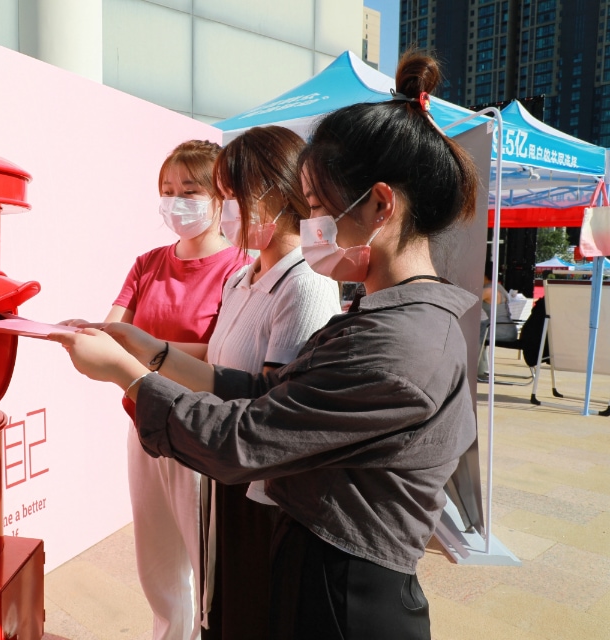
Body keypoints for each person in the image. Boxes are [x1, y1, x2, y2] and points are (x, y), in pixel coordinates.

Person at [50, 50, 479, 639]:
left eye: (322, 207)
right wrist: (152, 353)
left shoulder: (400, 343)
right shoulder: (383, 317)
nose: (312, 226)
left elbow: (245, 436)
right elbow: (266, 390)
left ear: (381, 205)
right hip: (316, 570)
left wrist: (131, 377)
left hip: (344, 595)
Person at [67, 139, 249, 640]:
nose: (176, 202)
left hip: (200, 430)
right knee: (157, 561)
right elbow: (113, 329)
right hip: (143, 420)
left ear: (222, 196)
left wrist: (143, 350)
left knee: (205, 558)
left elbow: (221, 355)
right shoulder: (148, 263)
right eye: (167, 191)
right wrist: (83, 336)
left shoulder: (239, 269)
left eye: (190, 190)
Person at [201, 126, 340, 639]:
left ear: (276, 192)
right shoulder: (241, 276)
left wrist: (148, 375)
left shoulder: (306, 282)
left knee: (254, 612)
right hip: (225, 469)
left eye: (232, 195)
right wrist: (139, 347)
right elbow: (216, 359)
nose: (225, 209)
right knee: (224, 607)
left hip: (263, 488)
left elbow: (268, 400)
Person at [478, 262, 518, 380]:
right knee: (478, 330)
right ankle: (479, 369)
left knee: (473, 334)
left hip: (500, 329)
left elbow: (468, 301)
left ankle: (477, 370)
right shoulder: (497, 286)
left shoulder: (488, 290)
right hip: (505, 328)